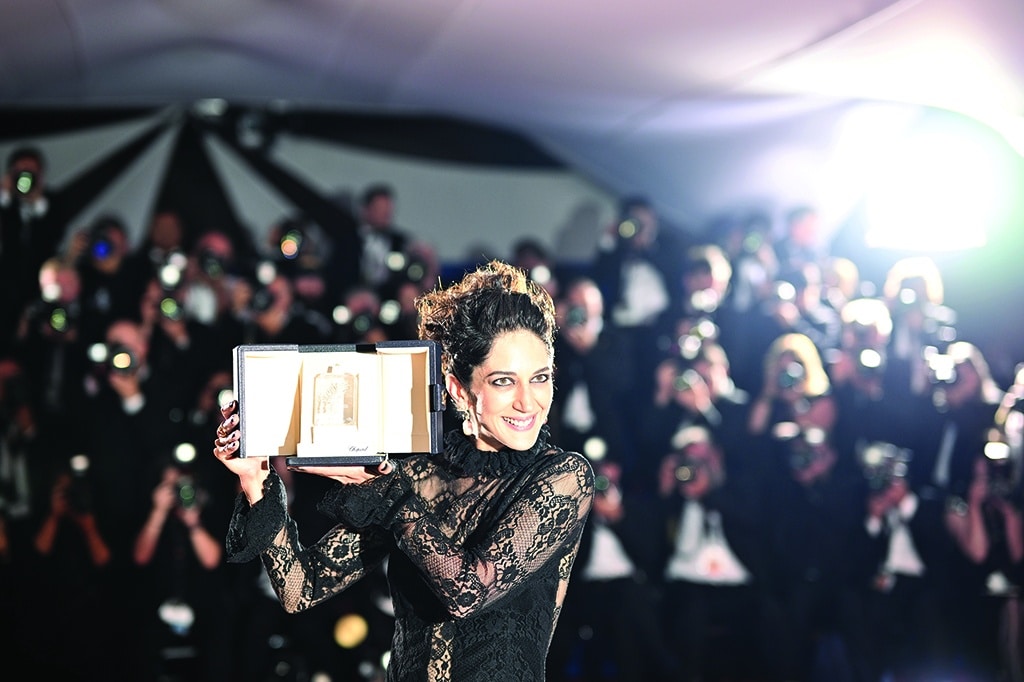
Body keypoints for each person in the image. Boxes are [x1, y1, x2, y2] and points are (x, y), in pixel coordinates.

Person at [213, 259, 595, 681]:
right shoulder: (415, 477)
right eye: (504, 381)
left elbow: (468, 591)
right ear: (459, 390)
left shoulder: (563, 476)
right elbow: (300, 588)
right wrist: (255, 479)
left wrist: (390, 496)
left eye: (540, 377)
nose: (529, 401)